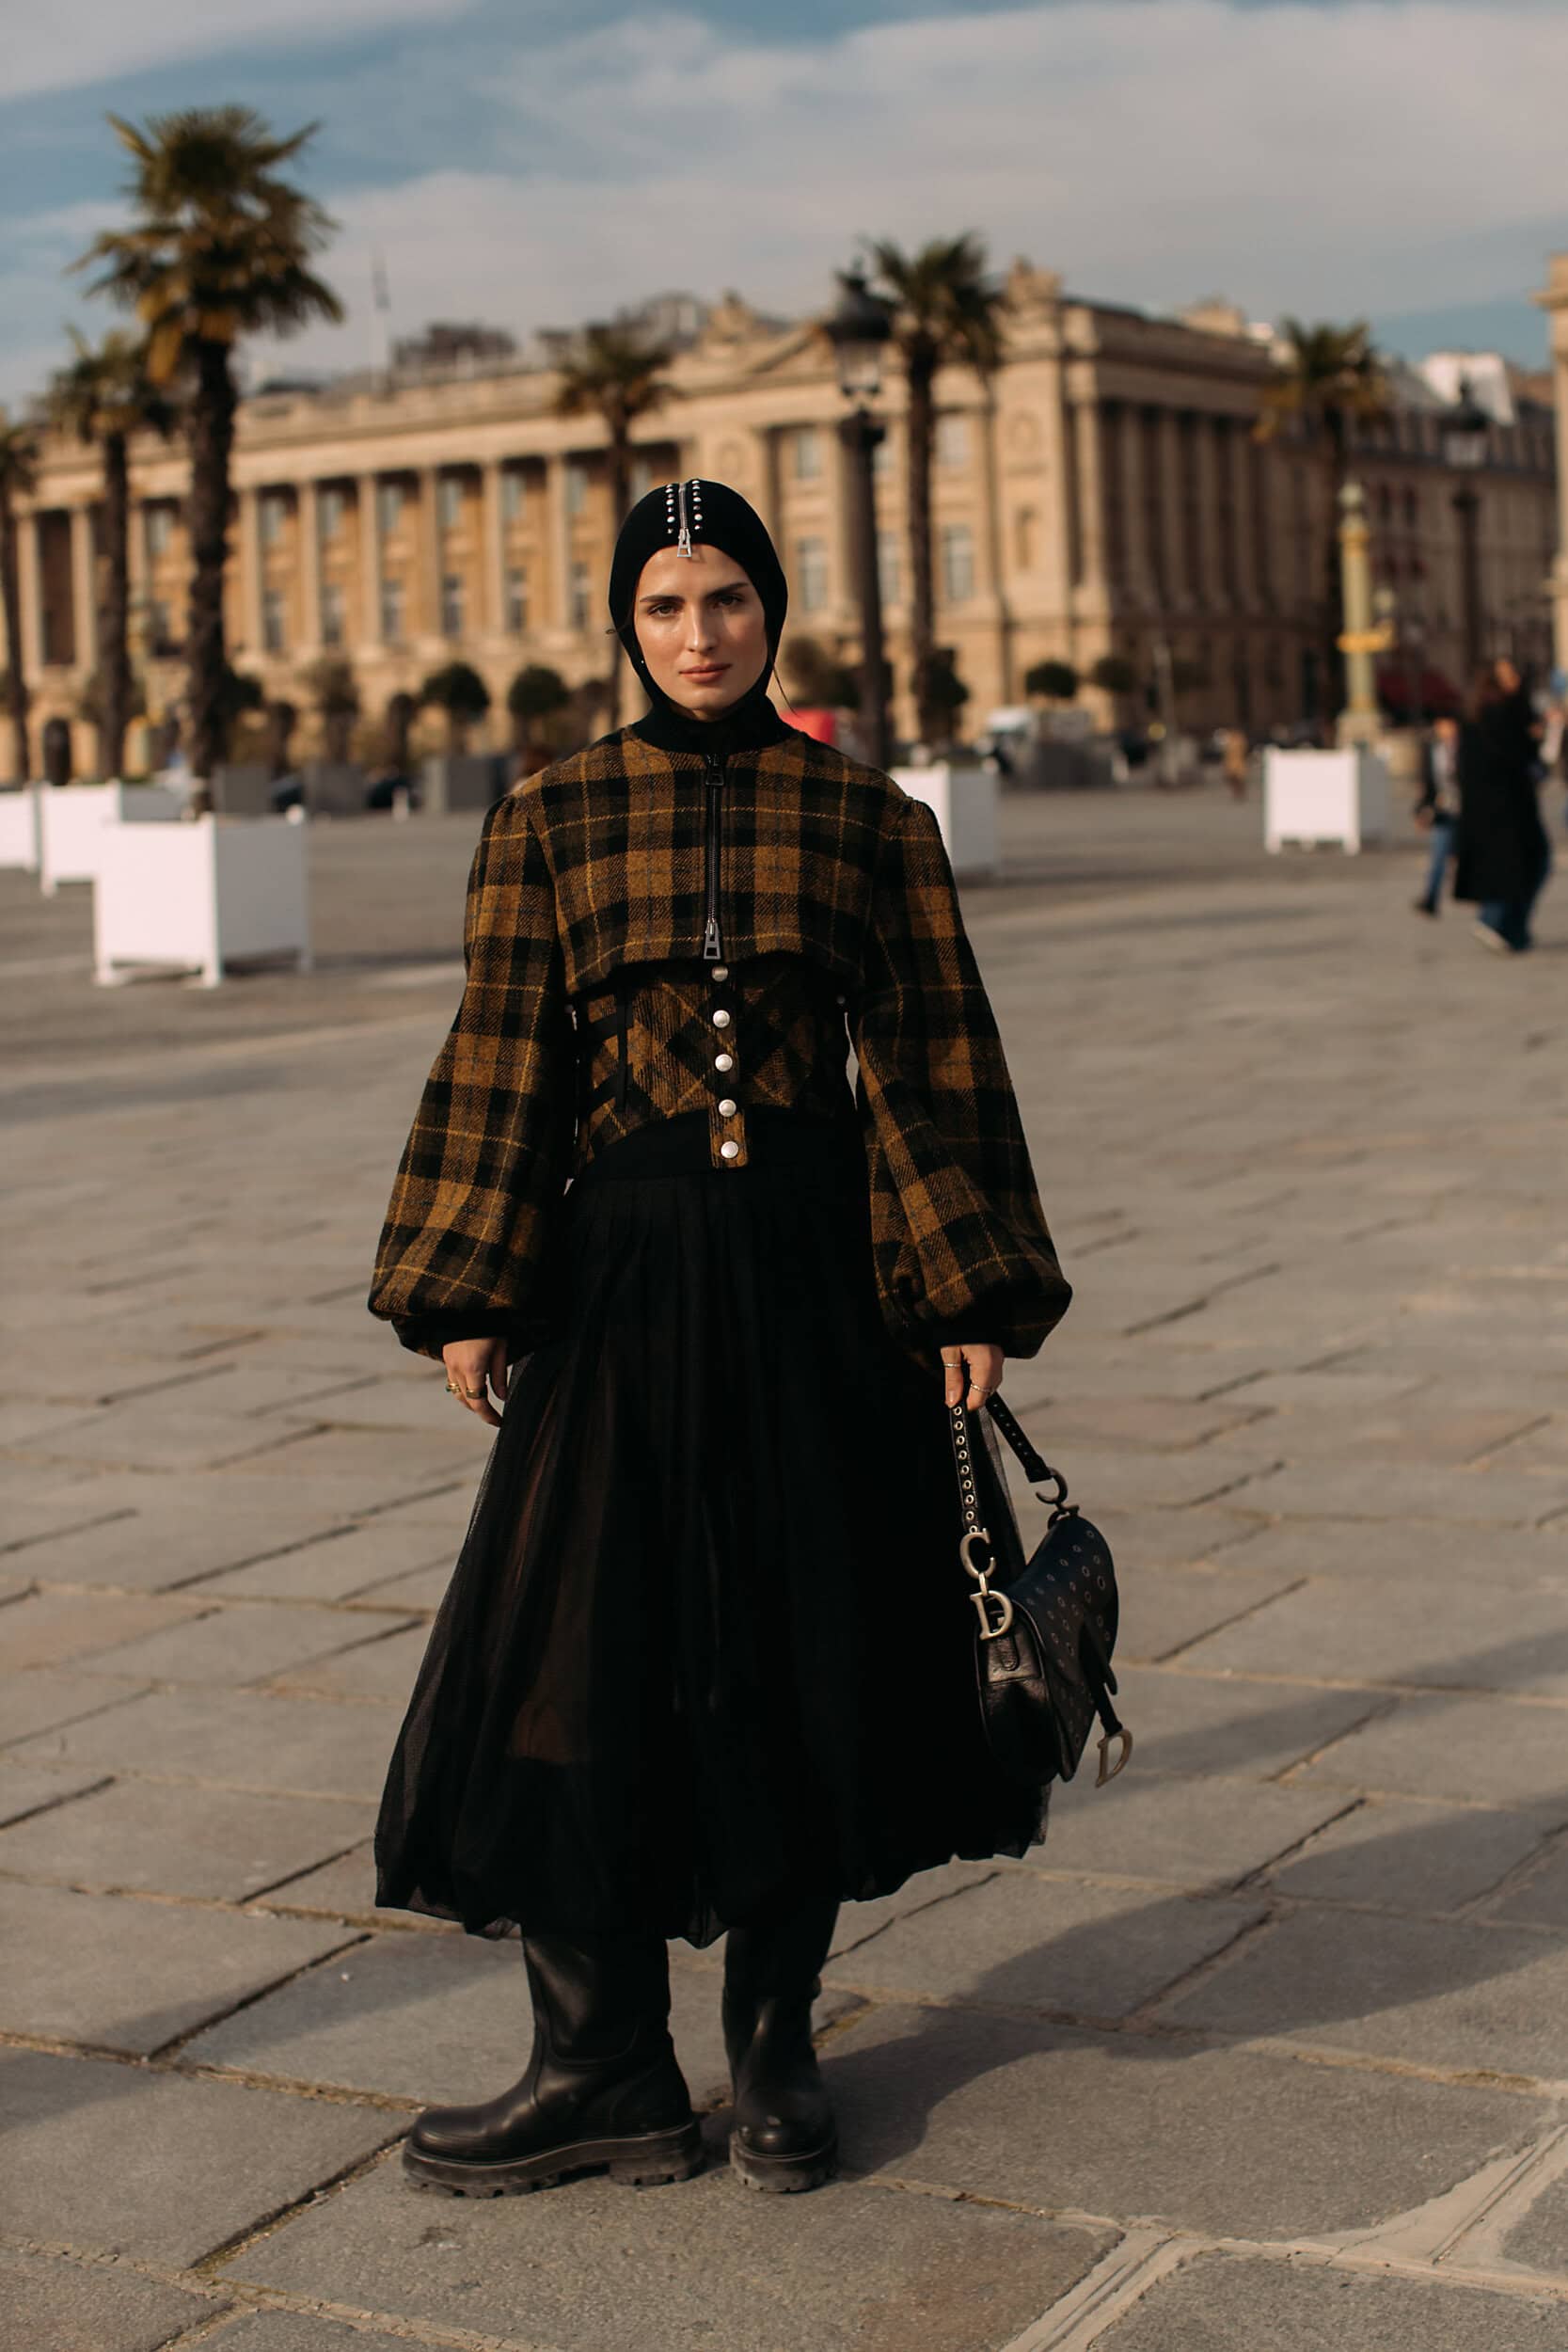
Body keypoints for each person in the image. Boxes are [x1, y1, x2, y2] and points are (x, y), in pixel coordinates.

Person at [365, 479, 1069, 2201]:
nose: (701, 632)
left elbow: (930, 1059)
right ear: (627, 621)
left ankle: (772, 2045)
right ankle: (598, 2059)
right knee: (569, 1645)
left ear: (773, 612)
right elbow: (501, 1052)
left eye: (730, 598)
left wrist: (959, 1286)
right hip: (619, 1283)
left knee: (802, 1643)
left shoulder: (866, 819)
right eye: (669, 603)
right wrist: (469, 1282)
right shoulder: (549, 815)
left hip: (817, 1285)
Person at [1453, 658, 1551, 953]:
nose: (1515, 680)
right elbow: (1519, 757)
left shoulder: (1481, 712)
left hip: (1493, 808)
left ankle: (1510, 928)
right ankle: (1496, 921)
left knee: (1521, 864)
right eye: (1508, 675)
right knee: (1526, 862)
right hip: (1506, 808)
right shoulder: (1499, 714)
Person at [1411, 714, 1460, 917]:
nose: (1446, 730)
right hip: (1444, 811)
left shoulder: (1468, 746)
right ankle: (1431, 899)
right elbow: (1425, 782)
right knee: (1439, 855)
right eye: (1442, 725)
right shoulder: (1431, 748)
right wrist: (1421, 810)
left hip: (1468, 811)